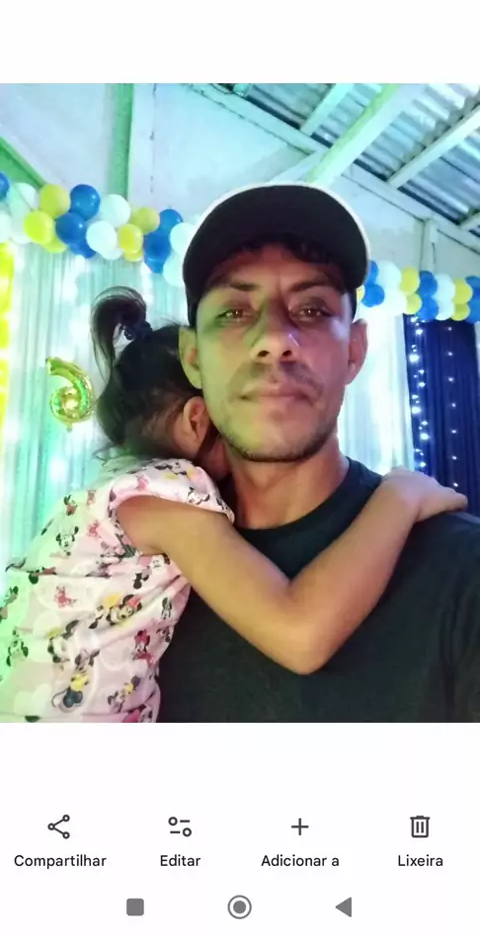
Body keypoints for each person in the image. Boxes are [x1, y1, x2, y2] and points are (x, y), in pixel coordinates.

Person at [0, 285, 464, 722]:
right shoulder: (167, 497)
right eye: (237, 415)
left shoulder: (104, 496)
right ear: (197, 418)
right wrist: (399, 497)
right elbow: (300, 633)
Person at [154, 181, 480, 722]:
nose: (274, 339)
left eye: (310, 309)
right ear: (192, 358)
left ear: (355, 350)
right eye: (234, 313)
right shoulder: (130, 575)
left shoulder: (463, 573)